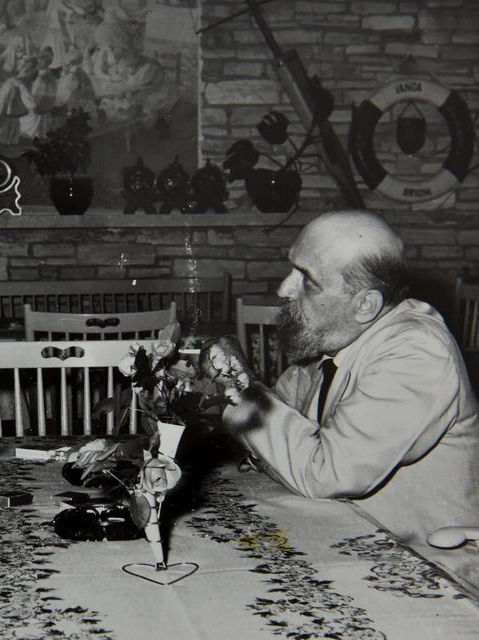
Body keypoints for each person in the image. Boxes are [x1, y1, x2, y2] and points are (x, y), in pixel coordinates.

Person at [203, 210, 479, 551]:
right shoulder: (339, 338)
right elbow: (281, 426)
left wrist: (237, 385)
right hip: (359, 541)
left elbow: (325, 475)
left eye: (308, 280)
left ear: (365, 305)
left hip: (433, 561)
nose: (284, 289)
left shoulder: (417, 352)